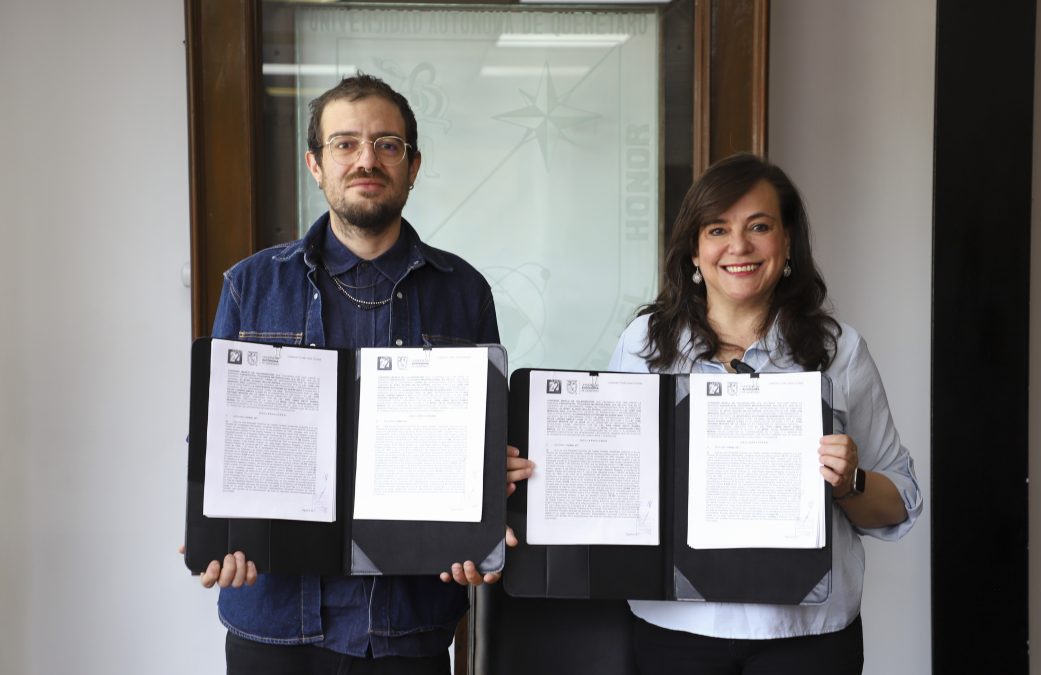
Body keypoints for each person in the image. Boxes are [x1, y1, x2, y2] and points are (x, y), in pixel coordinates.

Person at [190, 73, 532, 674]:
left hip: (409, 626)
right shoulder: (251, 285)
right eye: (345, 143)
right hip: (275, 622)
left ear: (413, 166)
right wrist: (217, 535)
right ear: (316, 165)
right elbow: (218, 441)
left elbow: (481, 444)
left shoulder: (464, 291)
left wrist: (488, 495)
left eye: (387, 145)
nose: (366, 159)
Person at [608, 153, 922, 674]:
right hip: (675, 630)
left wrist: (849, 483)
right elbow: (614, 480)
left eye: (759, 227)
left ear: (788, 242)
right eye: (717, 229)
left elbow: (899, 501)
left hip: (808, 636)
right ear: (694, 249)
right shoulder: (644, 344)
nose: (739, 246)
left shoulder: (840, 351)